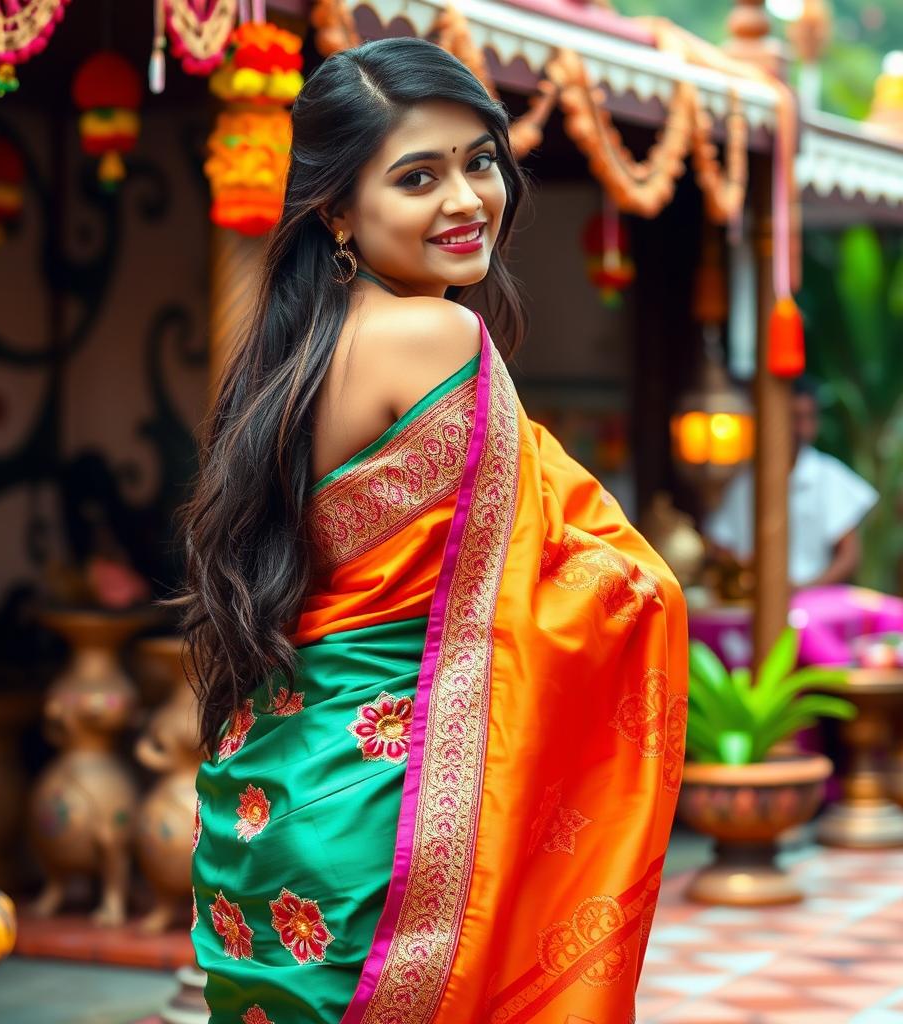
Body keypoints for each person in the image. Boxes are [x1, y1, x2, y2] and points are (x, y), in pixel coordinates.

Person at [175, 37, 688, 1024]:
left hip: (270, 803)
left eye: (478, 160)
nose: (465, 200)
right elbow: (593, 585)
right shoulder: (437, 335)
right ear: (335, 208)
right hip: (393, 830)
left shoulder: (292, 358)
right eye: (418, 176)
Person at [705, 374, 878, 590]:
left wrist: (806, 590)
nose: (802, 428)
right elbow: (721, 546)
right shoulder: (744, 481)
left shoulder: (829, 476)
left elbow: (849, 555)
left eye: (809, 417)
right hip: (752, 601)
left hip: (813, 604)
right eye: (795, 418)